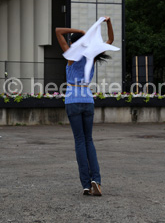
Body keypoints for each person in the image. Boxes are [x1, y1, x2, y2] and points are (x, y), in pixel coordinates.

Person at [55, 16, 114, 196]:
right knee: (89, 141)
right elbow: (110, 40)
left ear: (73, 43)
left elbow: (58, 31)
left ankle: (86, 185)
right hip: (87, 100)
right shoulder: (92, 55)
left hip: (73, 100)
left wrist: (80, 32)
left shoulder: (71, 55)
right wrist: (108, 22)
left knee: (80, 141)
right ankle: (96, 179)